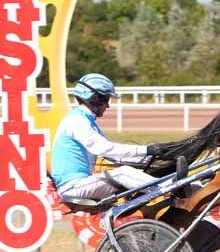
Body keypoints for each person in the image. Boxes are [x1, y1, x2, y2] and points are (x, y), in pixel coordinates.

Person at [51, 73, 166, 201]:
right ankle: (170, 187)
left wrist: (152, 158)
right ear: (94, 98)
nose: (108, 106)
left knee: (129, 171)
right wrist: (146, 150)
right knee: (123, 173)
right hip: (72, 187)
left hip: (79, 184)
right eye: (106, 100)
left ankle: (171, 189)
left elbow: (113, 156)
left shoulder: (87, 121)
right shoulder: (76, 121)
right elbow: (106, 149)